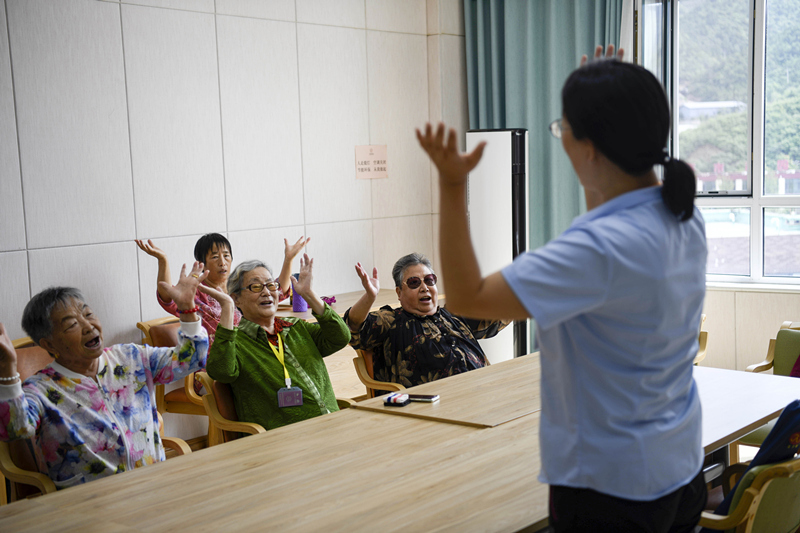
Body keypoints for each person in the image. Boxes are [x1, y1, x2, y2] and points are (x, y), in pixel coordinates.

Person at [416, 46, 708, 532]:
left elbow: (467, 296)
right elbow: (607, 191)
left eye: (563, 130)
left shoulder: (595, 250)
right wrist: (603, 92)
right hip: (678, 464)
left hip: (612, 488)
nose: (562, 140)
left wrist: (451, 185)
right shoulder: (682, 214)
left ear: (590, 147)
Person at [0, 263, 210, 490]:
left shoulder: (131, 357)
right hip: (88, 504)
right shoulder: (41, 389)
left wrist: (187, 308)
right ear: (49, 344)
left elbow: (193, 359)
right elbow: (16, 429)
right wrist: (7, 371)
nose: (89, 326)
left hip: (152, 488)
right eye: (72, 325)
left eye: (88, 314)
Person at [205, 254, 350, 431]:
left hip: (330, 424)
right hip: (283, 440)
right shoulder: (235, 342)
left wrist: (309, 294)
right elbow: (221, 372)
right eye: (256, 286)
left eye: (270, 285)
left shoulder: (295, 327)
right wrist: (227, 309)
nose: (266, 292)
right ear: (236, 299)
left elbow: (341, 337)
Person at [345, 253, 508, 390]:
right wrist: (369, 297)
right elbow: (352, 329)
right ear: (399, 292)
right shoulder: (391, 321)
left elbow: (495, 315)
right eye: (414, 283)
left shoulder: (453, 315)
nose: (424, 287)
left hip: (484, 391)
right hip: (431, 409)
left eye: (429, 280)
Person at [135, 233, 310, 343]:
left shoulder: (239, 286)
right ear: (202, 263)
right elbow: (168, 296)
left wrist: (288, 260)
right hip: (214, 369)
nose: (222, 262)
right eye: (215, 257)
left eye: (226, 256)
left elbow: (277, 291)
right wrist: (163, 260)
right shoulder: (196, 293)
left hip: (249, 355)